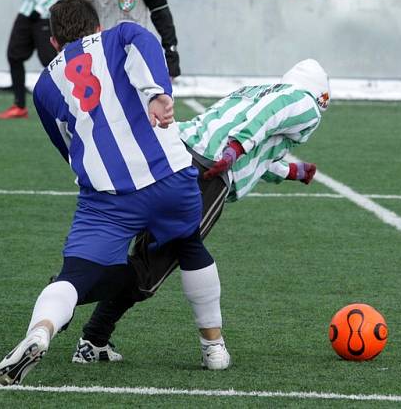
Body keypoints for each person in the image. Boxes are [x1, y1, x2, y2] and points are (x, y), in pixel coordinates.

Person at [0, 0, 229, 386]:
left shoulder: (46, 84)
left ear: (53, 43)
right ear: (97, 26)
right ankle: (214, 349)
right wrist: (157, 93)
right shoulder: (121, 35)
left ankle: (41, 332)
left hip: (107, 197)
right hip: (168, 178)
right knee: (189, 244)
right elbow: (146, 43)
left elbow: (66, 145)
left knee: (75, 274)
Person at [68, 59, 330, 364]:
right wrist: (236, 148)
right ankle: (70, 291)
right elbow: (264, 122)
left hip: (169, 151)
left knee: (140, 254)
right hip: (203, 171)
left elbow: (258, 147)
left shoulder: (252, 91)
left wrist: (290, 172)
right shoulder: (305, 102)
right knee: (150, 271)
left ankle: (93, 337)